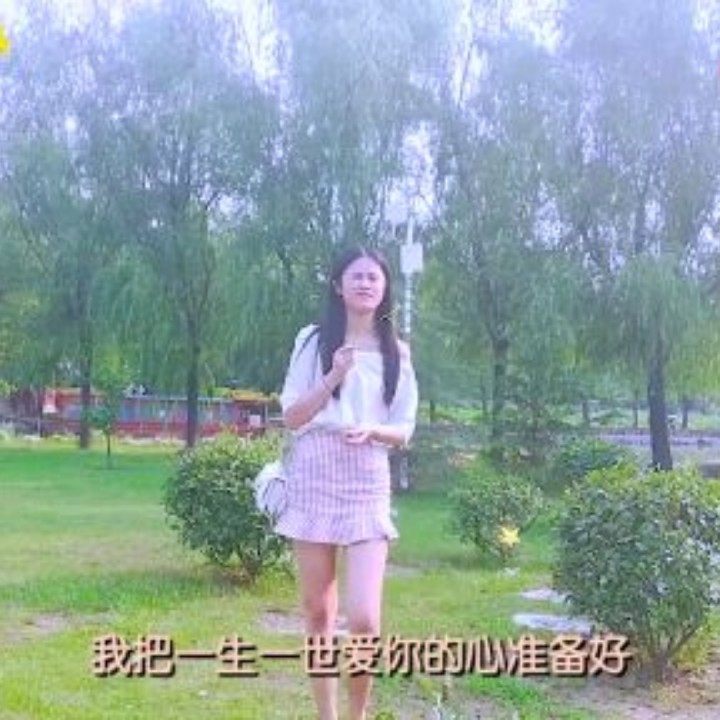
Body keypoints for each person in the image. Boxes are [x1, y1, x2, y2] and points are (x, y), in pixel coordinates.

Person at [276, 246, 419, 720]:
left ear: (385, 288)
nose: (365, 283)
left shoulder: (397, 352)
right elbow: (293, 416)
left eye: (373, 277)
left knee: (364, 619)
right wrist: (334, 375)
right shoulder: (313, 340)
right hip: (314, 471)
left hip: (367, 479)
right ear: (338, 286)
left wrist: (374, 430)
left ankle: (357, 715)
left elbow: (404, 428)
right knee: (318, 611)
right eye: (356, 276)